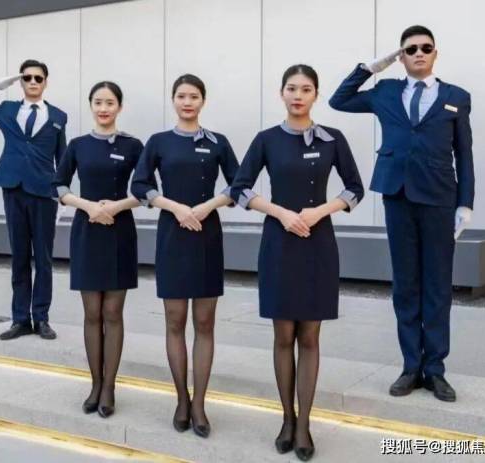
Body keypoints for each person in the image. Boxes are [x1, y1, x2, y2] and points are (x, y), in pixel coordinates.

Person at [329, 25, 475, 402]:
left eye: (426, 47)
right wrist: (370, 68)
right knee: (406, 284)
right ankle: (411, 366)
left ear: (435, 53)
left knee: (437, 285)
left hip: (440, 198)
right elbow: (338, 101)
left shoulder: (456, 97)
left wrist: (465, 203)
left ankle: (435, 369)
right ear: (401, 56)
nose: (419, 53)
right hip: (397, 195)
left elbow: (464, 153)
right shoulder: (386, 92)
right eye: (411, 49)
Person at [230, 64, 364, 461]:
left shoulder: (332, 139)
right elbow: (239, 188)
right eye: (291, 88)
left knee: (310, 337)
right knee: (283, 336)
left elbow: (355, 188)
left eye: (306, 89)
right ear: (282, 93)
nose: (298, 95)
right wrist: (281, 213)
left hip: (318, 243)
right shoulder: (266, 139)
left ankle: (304, 423)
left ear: (316, 95)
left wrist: (320, 211)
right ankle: (286, 418)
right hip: (279, 242)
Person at [130, 74, 240, 438]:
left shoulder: (218, 142)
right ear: (173, 100)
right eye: (181, 96)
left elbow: (239, 184)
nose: (187, 102)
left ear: (203, 101)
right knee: (175, 320)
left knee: (205, 322)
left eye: (194, 96)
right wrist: (175, 207)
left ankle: (200, 404)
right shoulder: (159, 141)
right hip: (172, 233)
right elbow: (140, 184)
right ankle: (181, 398)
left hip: (207, 234)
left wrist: (207, 206)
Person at [0, 59, 67, 341]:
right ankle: (20, 320)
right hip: (13, 188)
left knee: (43, 259)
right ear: (21, 82)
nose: (33, 82)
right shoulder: (6, 110)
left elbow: (63, 159)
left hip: (44, 192)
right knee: (19, 256)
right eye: (27, 77)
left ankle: (41, 318)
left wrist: (63, 194)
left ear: (45, 82)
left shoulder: (58, 116)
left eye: (38, 78)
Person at [53, 82, 143, 418]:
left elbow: (146, 189)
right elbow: (57, 185)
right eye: (98, 102)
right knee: (92, 313)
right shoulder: (77, 145)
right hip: (87, 230)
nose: (104, 108)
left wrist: (116, 207)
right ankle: (94, 383)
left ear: (120, 106)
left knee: (113, 313)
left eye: (110, 103)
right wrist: (88, 206)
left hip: (120, 231)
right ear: (91, 105)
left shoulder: (133, 145)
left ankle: (109, 388)